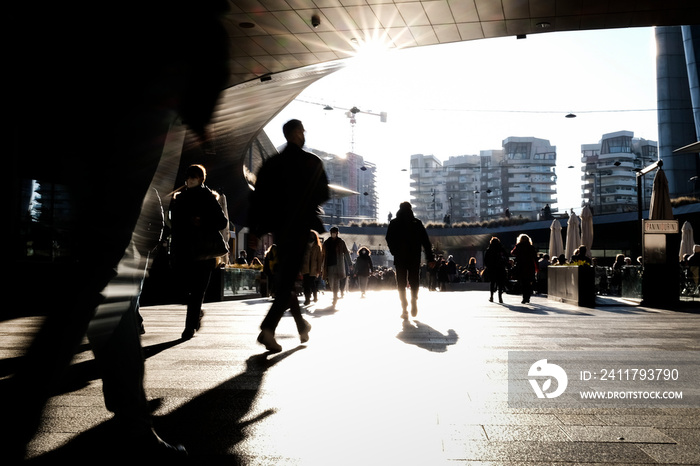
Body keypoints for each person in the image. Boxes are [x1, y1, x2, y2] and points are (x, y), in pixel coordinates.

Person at [6, 1, 229, 461]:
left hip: (82, 117)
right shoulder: (176, 41)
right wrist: (201, 101)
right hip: (129, 121)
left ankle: (129, 419)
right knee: (99, 276)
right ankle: (23, 418)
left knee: (112, 281)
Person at [249, 119, 330, 352]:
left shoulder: (273, 163)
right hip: (300, 226)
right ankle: (268, 328)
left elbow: (257, 198)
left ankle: (301, 325)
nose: (304, 134)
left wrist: (256, 230)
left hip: (279, 228)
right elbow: (322, 193)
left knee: (287, 276)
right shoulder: (311, 162)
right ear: (295, 133)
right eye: (302, 131)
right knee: (287, 280)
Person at [169, 164, 229, 340]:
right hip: (184, 250)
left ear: (201, 179)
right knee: (186, 290)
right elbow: (174, 225)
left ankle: (189, 327)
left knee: (197, 291)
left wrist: (202, 222)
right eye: (188, 176)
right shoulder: (179, 198)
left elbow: (222, 222)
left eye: (193, 176)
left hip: (204, 252)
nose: (189, 179)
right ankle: (196, 314)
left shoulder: (208, 197)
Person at [386, 202, 434, 318]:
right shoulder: (417, 223)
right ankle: (414, 300)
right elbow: (426, 242)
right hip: (414, 257)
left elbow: (388, 238)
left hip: (400, 258)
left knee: (401, 283)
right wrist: (430, 258)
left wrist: (394, 251)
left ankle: (404, 307)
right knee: (414, 280)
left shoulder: (394, 223)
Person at [322, 227, 352, 306]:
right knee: (331, 282)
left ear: (337, 233)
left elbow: (346, 253)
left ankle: (335, 298)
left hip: (338, 265)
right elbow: (322, 254)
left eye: (335, 232)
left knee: (336, 282)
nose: (333, 234)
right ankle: (334, 294)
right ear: (330, 233)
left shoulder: (341, 242)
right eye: (332, 232)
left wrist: (350, 264)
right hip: (329, 265)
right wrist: (321, 266)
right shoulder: (326, 242)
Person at [511, 233, 538, 304]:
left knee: (523, 283)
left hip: (521, 266)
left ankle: (524, 298)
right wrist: (537, 267)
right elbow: (535, 258)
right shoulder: (531, 247)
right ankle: (527, 297)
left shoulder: (519, 246)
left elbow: (513, 252)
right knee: (529, 282)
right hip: (530, 267)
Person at [301, 230, 323, 305]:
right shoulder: (304, 246)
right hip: (305, 268)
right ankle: (307, 299)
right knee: (306, 284)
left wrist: (319, 269)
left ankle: (314, 295)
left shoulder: (317, 247)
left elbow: (319, 259)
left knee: (312, 283)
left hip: (313, 268)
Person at [484, 236, 508, 303]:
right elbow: (506, 257)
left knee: (492, 283)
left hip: (492, 269)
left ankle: (491, 296)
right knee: (500, 283)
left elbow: (486, 260)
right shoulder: (501, 249)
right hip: (501, 268)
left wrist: (488, 266)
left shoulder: (489, 250)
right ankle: (500, 298)